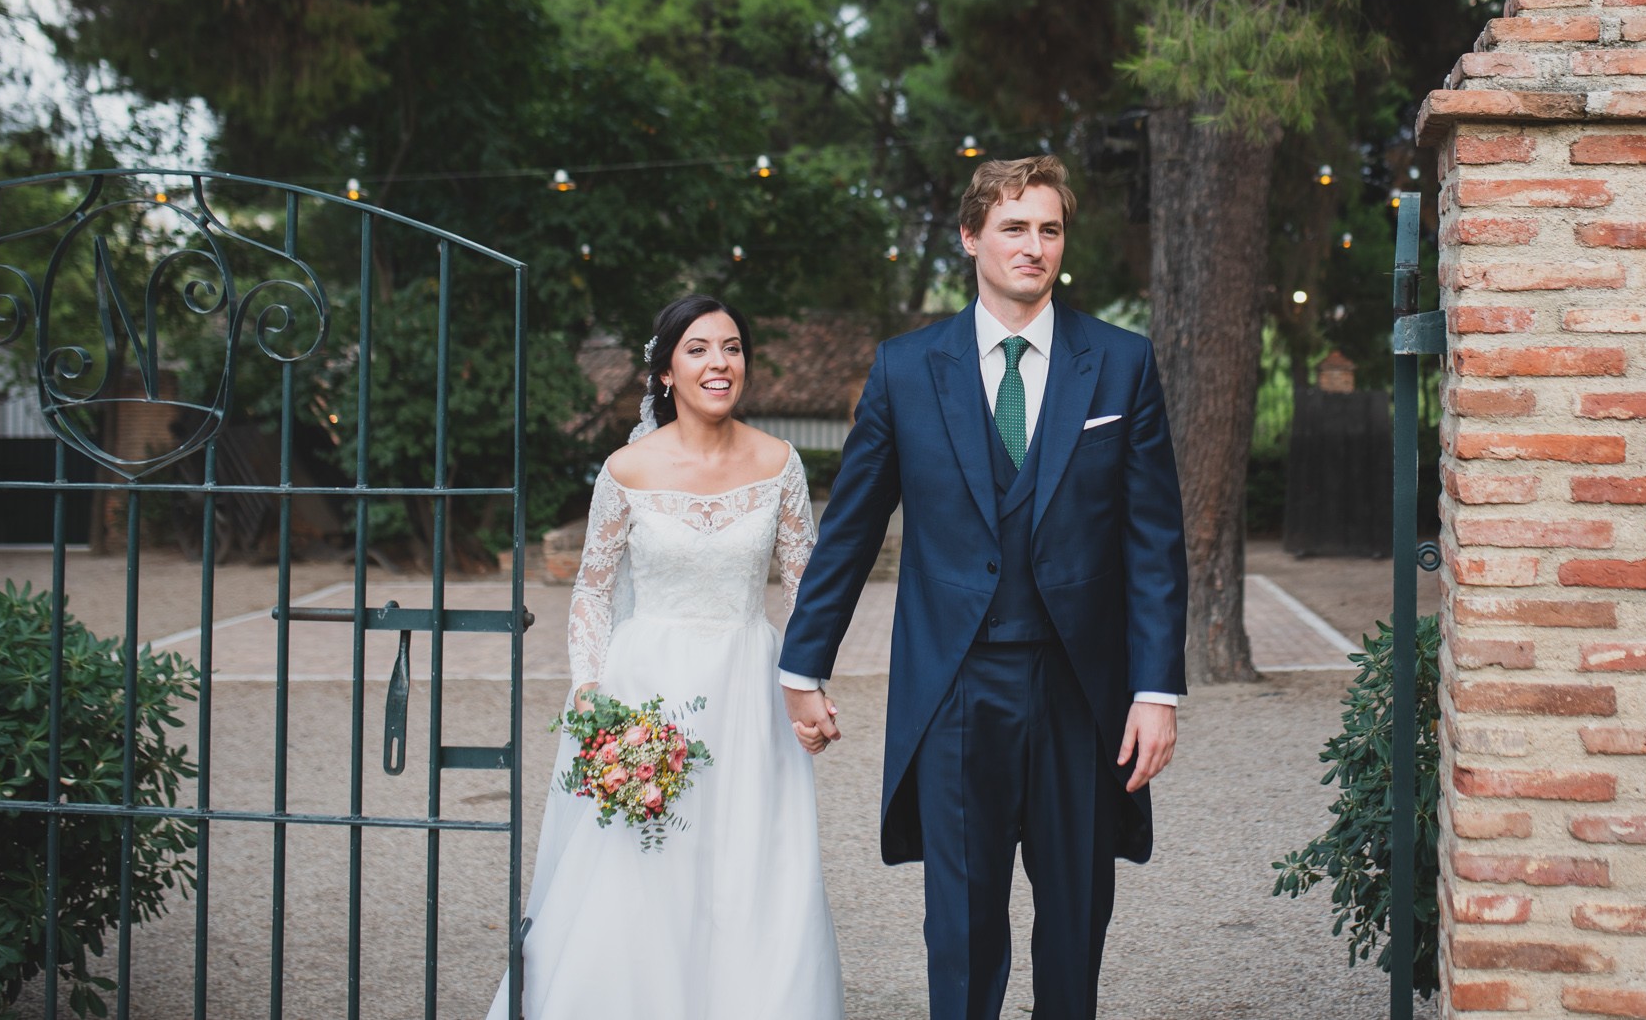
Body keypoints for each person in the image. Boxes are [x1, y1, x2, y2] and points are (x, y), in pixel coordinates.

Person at [779, 155, 1189, 1020]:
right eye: (1013, 226)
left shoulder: (1119, 363)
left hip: (1083, 689)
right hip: (957, 685)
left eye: (1048, 229)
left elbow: (1154, 540)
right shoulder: (904, 368)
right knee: (960, 928)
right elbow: (851, 529)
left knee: (1077, 917)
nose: (1032, 246)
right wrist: (802, 663)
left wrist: (1156, 689)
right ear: (972, 238)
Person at [488, 295, 842, 1020]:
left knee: (749, 867)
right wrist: (588, 688)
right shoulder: (626, 469)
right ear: (666, 372)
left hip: (748, 687)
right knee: (642, 866)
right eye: (700, 349)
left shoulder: (780, 463)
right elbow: (590, 589)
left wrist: (808, 687)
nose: (721, 363)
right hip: (647, 686)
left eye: (733, 347)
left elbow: (808, 591)